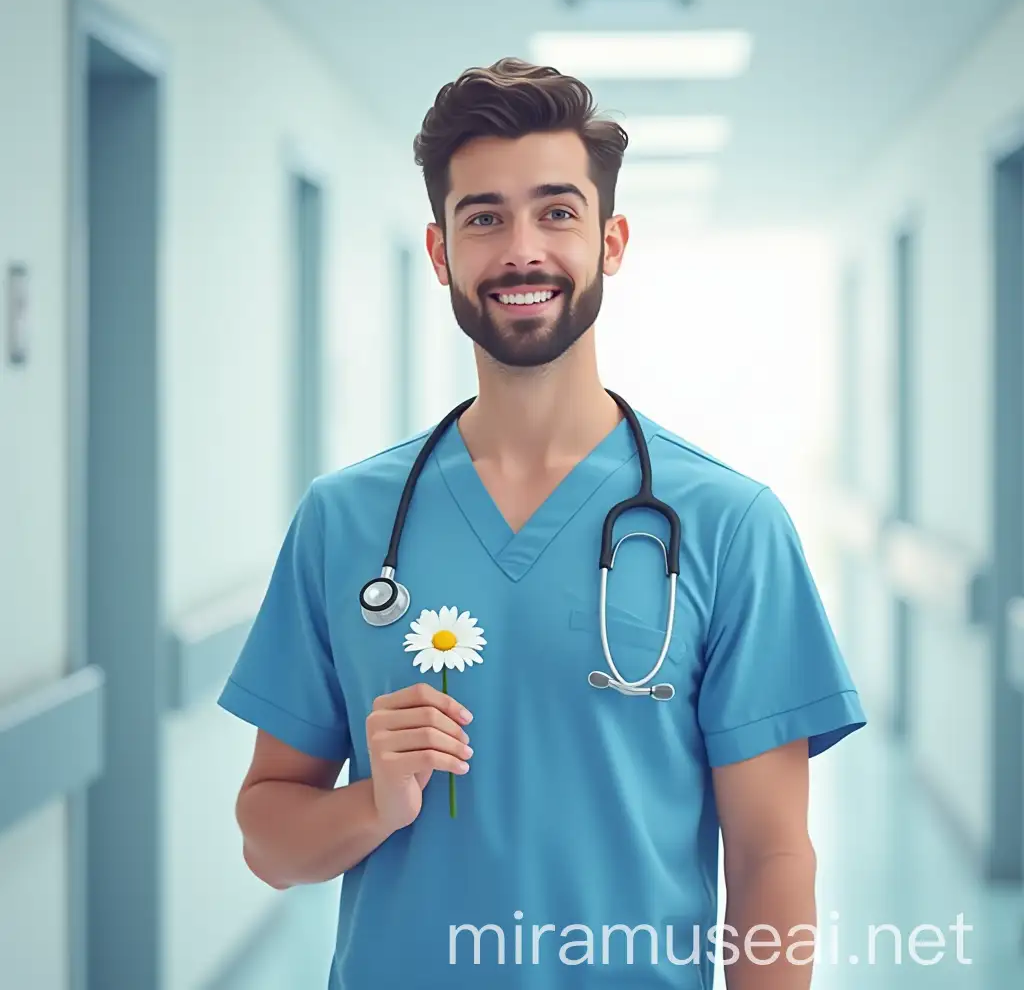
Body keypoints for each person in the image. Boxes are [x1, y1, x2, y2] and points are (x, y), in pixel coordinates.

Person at [218, 57, 866, 990]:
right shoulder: (343, 520)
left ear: (611, 240)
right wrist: (374, 803)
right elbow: (270, 846)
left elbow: (770, 859)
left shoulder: (732, 525)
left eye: (557, 212)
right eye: (483, 217)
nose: (522, 249)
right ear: (442, 253)